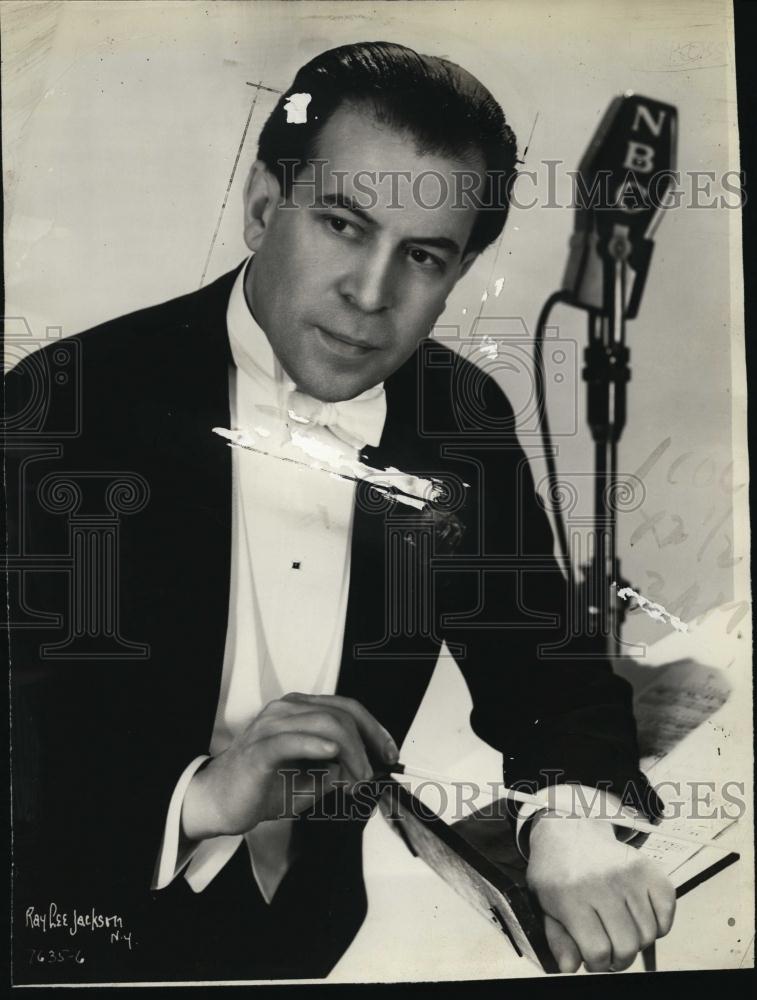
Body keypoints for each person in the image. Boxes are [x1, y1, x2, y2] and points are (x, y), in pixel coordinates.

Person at [6, 41, 675, 984]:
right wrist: (200, 799)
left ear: (460, 272)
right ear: (262, 206)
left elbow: (547, 673)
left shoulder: (460, 415)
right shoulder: (59, 403)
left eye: (423, 257)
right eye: (341, 224)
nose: (370, 295)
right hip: (68, 938)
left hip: (311, 937)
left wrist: (569, 817)